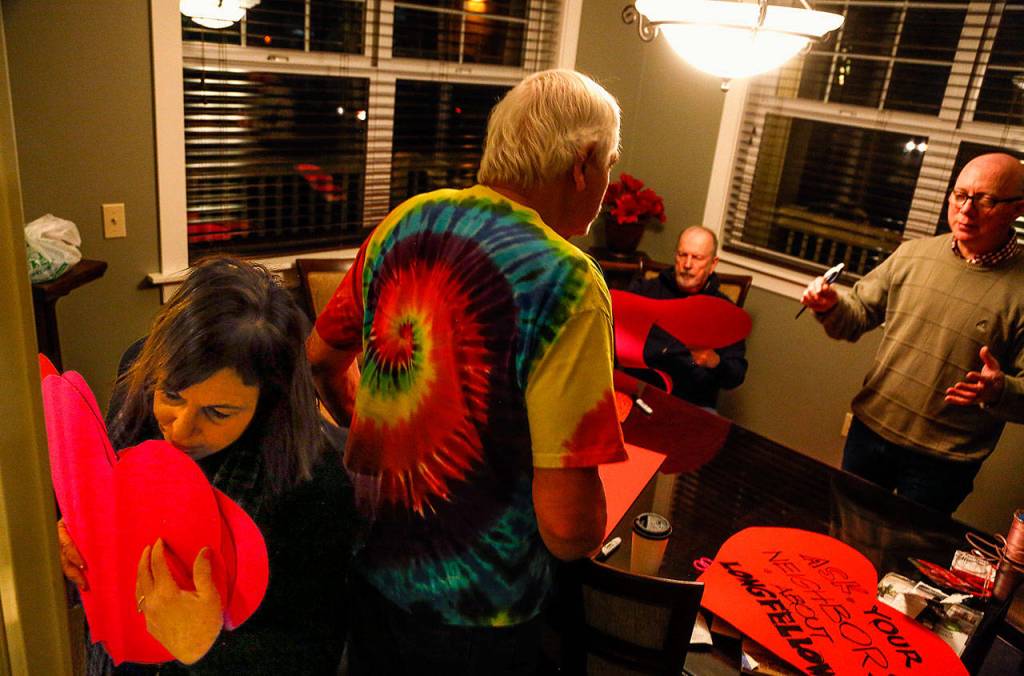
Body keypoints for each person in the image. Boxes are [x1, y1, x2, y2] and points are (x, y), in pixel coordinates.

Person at [306, 69, 628, 675]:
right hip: (480, 616)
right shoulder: (569, 283)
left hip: (372, 569)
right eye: (608, 164)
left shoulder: (407, 222)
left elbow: (321, 357)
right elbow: (566, 530)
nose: (607, 184)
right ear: (583, 163)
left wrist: (369, 422)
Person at [57, 257, 357, 674]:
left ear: (269, 404)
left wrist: (204, 648)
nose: (179, 430)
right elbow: (108, 484)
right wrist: (74, 535)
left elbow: (312, 651)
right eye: (173, 396)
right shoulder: (140, 377)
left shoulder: (315, 487)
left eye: (217, 412)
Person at [800, 152, 1024, 514]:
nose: (966, 210)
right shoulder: (913, 255)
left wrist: (1000, 390)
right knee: (844, 539)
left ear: (1017, 209)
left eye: (985, 200)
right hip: (870, 432)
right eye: (959, 195)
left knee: (904, 562)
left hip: (944, 461)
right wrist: (829, 305)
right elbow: (855, 317)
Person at [625, 225, 748, 408]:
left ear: (713, 264)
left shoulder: (725, 312)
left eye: (697, 258)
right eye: (683, 255)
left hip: (691, 403)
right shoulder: (644, 290)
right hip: (637, 393)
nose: (687, 264)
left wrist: (715, 361)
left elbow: (736, 375)